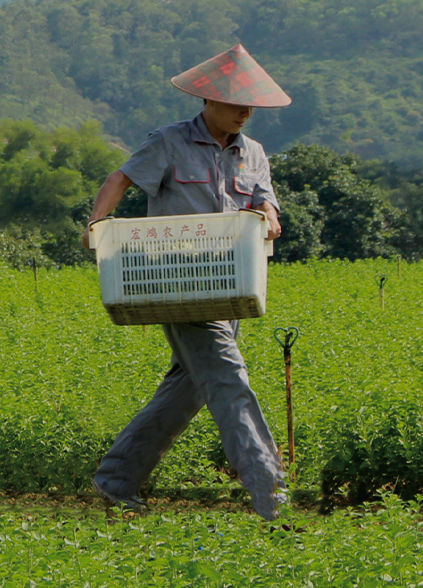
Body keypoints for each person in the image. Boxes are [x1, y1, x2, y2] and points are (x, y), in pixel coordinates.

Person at [81, 44, 291, 519]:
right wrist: (98, 223)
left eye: (249, 106)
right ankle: (272, 499)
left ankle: (116, 480)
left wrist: (270, 214)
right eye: (235, 104)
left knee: (189, 387)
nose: (243, 113)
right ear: (207, 100)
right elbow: (120, 178)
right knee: (228, 381)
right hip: (177, 284)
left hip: (233, 286)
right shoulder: (170, 142)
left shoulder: (252, 153)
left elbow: (265, 198)